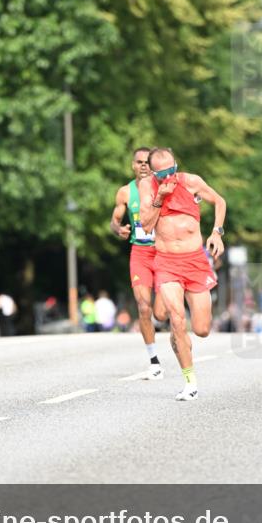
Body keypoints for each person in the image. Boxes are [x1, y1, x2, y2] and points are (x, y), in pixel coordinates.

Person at [139, 147, 226, 402]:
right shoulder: (148, 187)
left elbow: (220, 201)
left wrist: (217, 232)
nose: (169, 177)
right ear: (154, 172)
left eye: (172, 170)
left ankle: (180, 338)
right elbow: (146, 224)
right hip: (166, 262)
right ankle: (190, 383)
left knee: (201, 329)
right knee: (177, 320)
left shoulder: (191, 182)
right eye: (163, 173)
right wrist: (160, 198)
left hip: (195, 261)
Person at [110, 147, 167, 379]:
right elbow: (114, 221)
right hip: (140, 254)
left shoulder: (163, 188)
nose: (143, 165)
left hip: (164, 253)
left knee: (161, 314)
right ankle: (154, 361)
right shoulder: (125, 192)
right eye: (139, 162)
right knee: (143, 307)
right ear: (133, 165)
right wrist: (119, 229)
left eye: (147, 162)